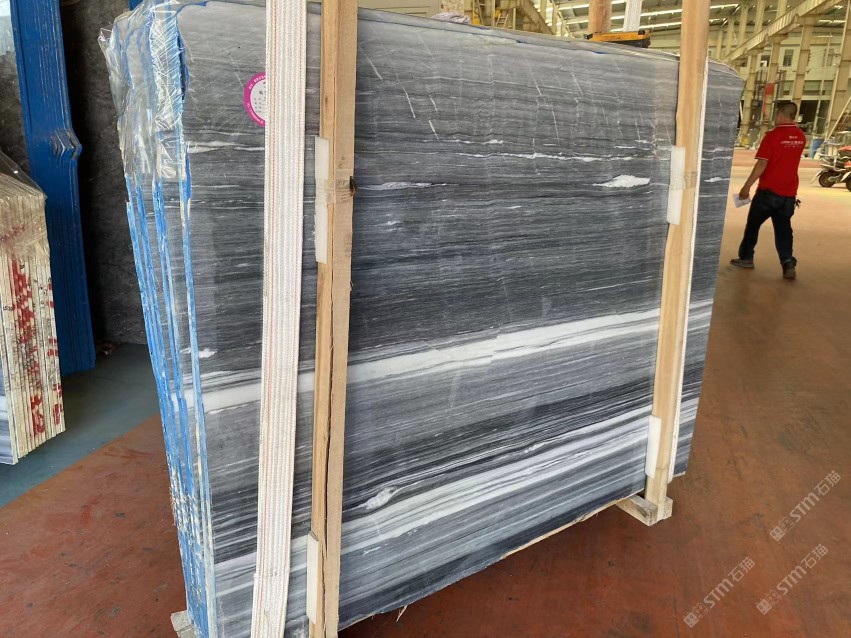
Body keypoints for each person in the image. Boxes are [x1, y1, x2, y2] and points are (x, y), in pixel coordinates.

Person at [731, 101, 806, 280]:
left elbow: (762, 164)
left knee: (753, 225)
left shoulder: (772, 136)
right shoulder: (801, 137)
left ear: (780, 114)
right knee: (784, 229)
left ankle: (746, 257)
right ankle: (788, 263)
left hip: (768, 193)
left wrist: (746, 186)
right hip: (788, 194)